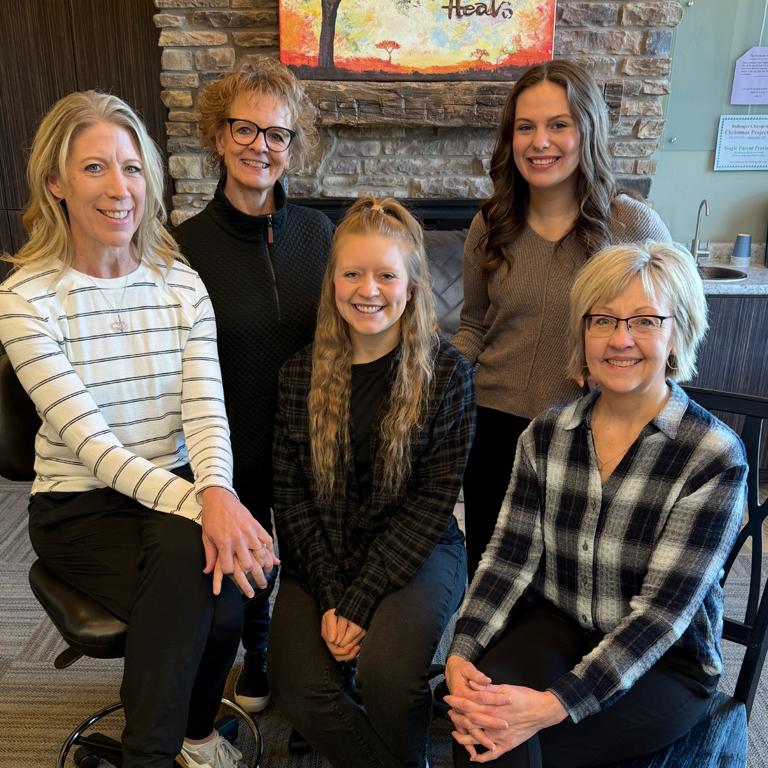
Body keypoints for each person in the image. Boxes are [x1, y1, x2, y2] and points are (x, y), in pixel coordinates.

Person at [0, 91, 277, 768]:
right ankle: (183, 744)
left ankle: (163, 747)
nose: (119, 187)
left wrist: (214, 488)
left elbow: (206, 409)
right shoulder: (25, 298)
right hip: (80, 504)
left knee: (222, 585)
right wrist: (211, 507)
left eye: (131, 167)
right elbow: (91, 444)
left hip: (177, 486)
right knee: (218, 596)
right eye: (94, 168)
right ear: (56, 182)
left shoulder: (180, 284)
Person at [444, 241, 748, 767]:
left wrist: (556, 704)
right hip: (561, 621)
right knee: (477, 726)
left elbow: (660, 616)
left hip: (667, 661)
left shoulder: (711, 456)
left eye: (645, 321)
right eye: (603, 320)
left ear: (677, 334)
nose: (620, 339)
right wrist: (462, 649)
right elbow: (508, 559)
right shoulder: (547, 434)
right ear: (582, 333)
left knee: (518, 742)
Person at [267, 197, 475, 768]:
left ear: (411, 287)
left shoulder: (449, 375)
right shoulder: (297, 374)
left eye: (387, 274)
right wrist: (334, 595)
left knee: (387, 676)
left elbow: (431, 505)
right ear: (332, 281)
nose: (369, 289)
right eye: (353, 273)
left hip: (421, 550)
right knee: (296, 687)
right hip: (324, 554)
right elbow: (292, 502)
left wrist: (357, 605)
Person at [451, 60, 672, 579]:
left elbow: (672, 329)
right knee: (491, 574)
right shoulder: (489, 225)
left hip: (588, 430)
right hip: (492, 430)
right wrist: (430, 373)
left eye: (558, 124)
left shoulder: (630, 223)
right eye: (525, 127)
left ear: (586, 129)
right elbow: (474, 326)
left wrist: (621, 365)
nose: (539, 142)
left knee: (573, 580)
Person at [173, 57, 334, 714]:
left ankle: (277, 654)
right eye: (245, 129)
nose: (260, 147)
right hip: (224, 445)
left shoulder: (320, 235)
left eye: (277, 134)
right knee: (239, 577)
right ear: (217, 135)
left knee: (301, 557)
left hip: (302, 440)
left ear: (293, 148)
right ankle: (246, 650)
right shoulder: (182, 248)